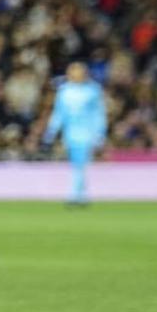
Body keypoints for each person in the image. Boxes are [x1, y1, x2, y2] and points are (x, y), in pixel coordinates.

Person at [42, 62, 107, 205]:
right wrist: (50, 133)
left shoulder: (93, 91)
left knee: (81, 162)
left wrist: (100, 134)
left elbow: (98, 114)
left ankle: (75, 194)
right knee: (76, 162)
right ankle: (81, 194)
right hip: (70, 133)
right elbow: (58, 114)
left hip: (87, 132)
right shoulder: (64, 91)